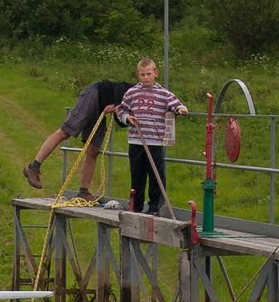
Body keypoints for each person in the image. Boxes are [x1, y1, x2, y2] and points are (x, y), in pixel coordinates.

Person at [23, 79, 130, 201]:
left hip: (101, 108)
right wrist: (116, 106)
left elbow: (121, 122)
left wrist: (117, 110)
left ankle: (83, 192)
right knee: (65, 132)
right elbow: (120, 86)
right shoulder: (137, 89)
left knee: (93, 149)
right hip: (95, 94)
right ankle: (33, 168)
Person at [118, 57, 188, 216]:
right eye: (142, 75)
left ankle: (154, 207)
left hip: (155, 141)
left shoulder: (164, 93)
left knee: (156, 175)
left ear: (155, 73)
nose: (145, 77)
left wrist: (180, 109)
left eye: (148, 74)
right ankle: (136, 206)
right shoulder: (131, 93)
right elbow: (121, 110)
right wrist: (127, 118)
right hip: (136, 140)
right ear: (138, 75)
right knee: (137, 175)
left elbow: (176, 104)